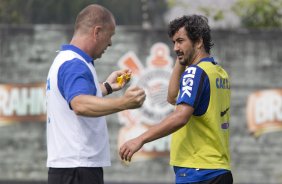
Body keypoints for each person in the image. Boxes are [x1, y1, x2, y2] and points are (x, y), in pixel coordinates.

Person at [119, 15, 233, 184]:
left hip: (198, 171)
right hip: (218, 169)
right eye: (173, 42)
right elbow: (172, 97)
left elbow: (180, 116)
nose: (175, 48)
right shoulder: (218, 72)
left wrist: (140, 139)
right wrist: (183, 58)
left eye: (180, 41)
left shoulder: (195, 73)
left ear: (199, 42)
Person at [46, 4, 146, 184]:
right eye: (110, 35)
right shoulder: (74, 64)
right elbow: (79, 104)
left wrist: (107, 86)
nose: (110, 43)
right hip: (77, 167)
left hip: (73, 166)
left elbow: (75, 96)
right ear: (97, 31)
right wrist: (124, 102)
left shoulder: (68, 59)